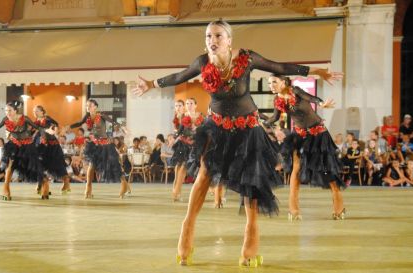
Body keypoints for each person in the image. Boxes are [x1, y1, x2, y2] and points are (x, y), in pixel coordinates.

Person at [133, 19, 343, 266]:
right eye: (209, 36)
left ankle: (250, 238)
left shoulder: (247, 59)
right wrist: (151, 84)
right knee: (203, 176)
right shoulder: (202, 62)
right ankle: (187, 227)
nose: (213, 40)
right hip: (216, 128)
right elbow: (180, 75)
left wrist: (316, 72)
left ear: (229, 40)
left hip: (247, 130)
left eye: (219, 36)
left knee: (250, 185)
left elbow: (280, 66)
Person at [263, 74, 344, 221]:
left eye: (274, 82)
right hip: (300, 136)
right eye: (269, 83)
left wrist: (321, 104)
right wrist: (261, 120)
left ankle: (339, 207)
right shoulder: (278, 100)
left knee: (327, 170)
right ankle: (293, 210)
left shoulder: (296, 91)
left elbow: (311, 98)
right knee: (296, 169)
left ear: (283, 82)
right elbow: (274, 118)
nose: (271, 85)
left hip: (319, 134)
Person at [0, 101, 47, 200]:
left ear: (15, 110)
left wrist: (46, 133)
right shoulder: (5, 119)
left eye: (9, 110)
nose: (7, 112)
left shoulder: (24, 118)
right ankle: (6, 188)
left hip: (27, 146)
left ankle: (44, 184)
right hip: (14, 145)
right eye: (6, 110)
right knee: (10, 165)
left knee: (34, 167)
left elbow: (37, 127)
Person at [68, 99, 129, 199]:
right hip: (94, 144)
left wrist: (123, 127)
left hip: (105, 145)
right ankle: (88, 187)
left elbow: (113, 122)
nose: (88, 107)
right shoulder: (87, 116)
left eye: (90, 105)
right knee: (92, 165)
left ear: (95, 106)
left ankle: (124, 185)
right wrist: (69, 126)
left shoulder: (101, 115)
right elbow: (79, 123)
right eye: (87, 105)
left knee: (114, 165)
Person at [32, 105, 71, 198]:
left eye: (37, 111)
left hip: (53, 147)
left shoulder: (47, 119)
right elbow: (35, 131)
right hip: (42, 146)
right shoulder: (36, 122)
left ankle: (66, 183)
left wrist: (54, 129)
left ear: (42, 112)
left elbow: (54, 125)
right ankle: (41, 184)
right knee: (40, 165)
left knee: (58, 166)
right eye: (34, 111)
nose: (35, 112)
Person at [172, 98, 205, 203]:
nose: (189, 105)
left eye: (191, 103)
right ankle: (176, 193)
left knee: (203, 169)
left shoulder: (201, 116)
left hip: (196, 146)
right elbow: (180, 130)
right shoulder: (184, 117)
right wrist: (174, 138)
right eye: (187, 103)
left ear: (195, 105)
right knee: (181, 169)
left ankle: (211, 191)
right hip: (184, 146)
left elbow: (205, 129)